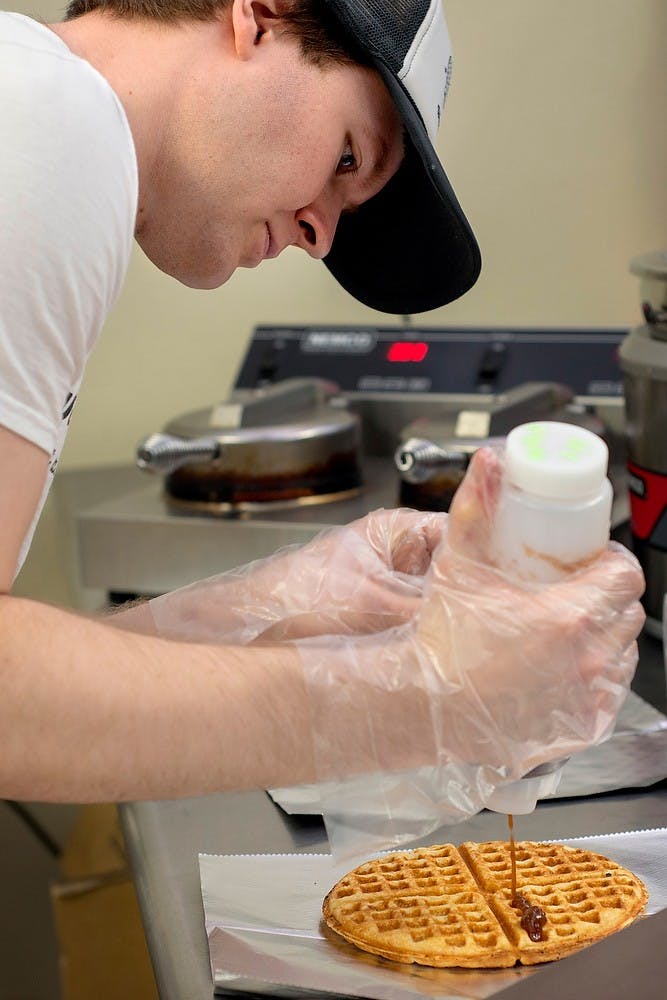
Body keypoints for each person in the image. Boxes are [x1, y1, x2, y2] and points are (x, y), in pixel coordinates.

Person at [0, 0, 644, 811]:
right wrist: (419, 700)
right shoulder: (49, 121)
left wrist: (258, 611)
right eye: (347, 156)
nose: (321, 236)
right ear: (258, 17)